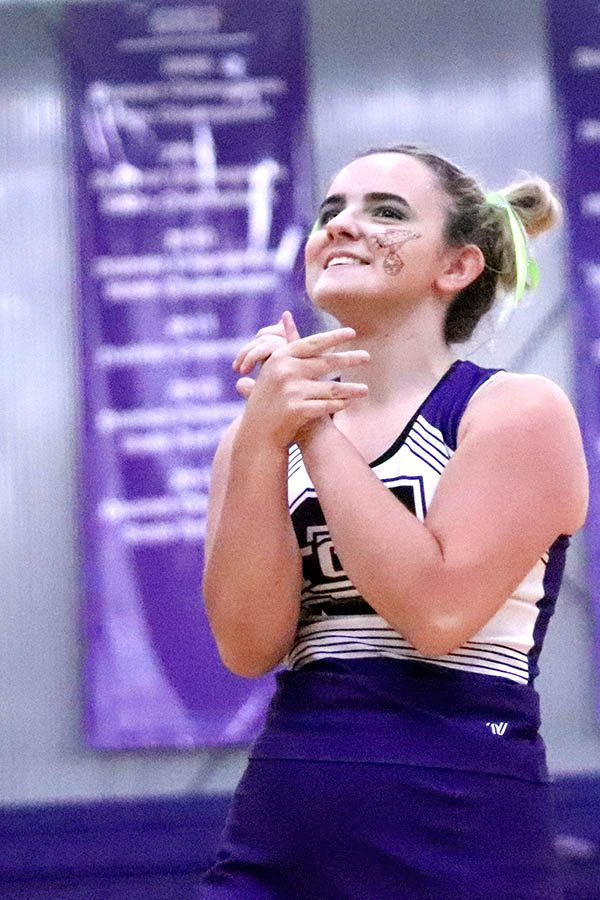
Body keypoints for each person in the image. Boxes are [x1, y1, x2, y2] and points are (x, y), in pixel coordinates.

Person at [199, 145, 588, 899]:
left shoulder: (514, 410)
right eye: (331, 211)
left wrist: (311, 429)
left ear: (458, 267)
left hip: (459, 818)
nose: (344, 226)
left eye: (386, 212)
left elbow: (436, 612)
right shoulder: (255, 435)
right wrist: (264, 437)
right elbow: (248, 646)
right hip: (281, 820)